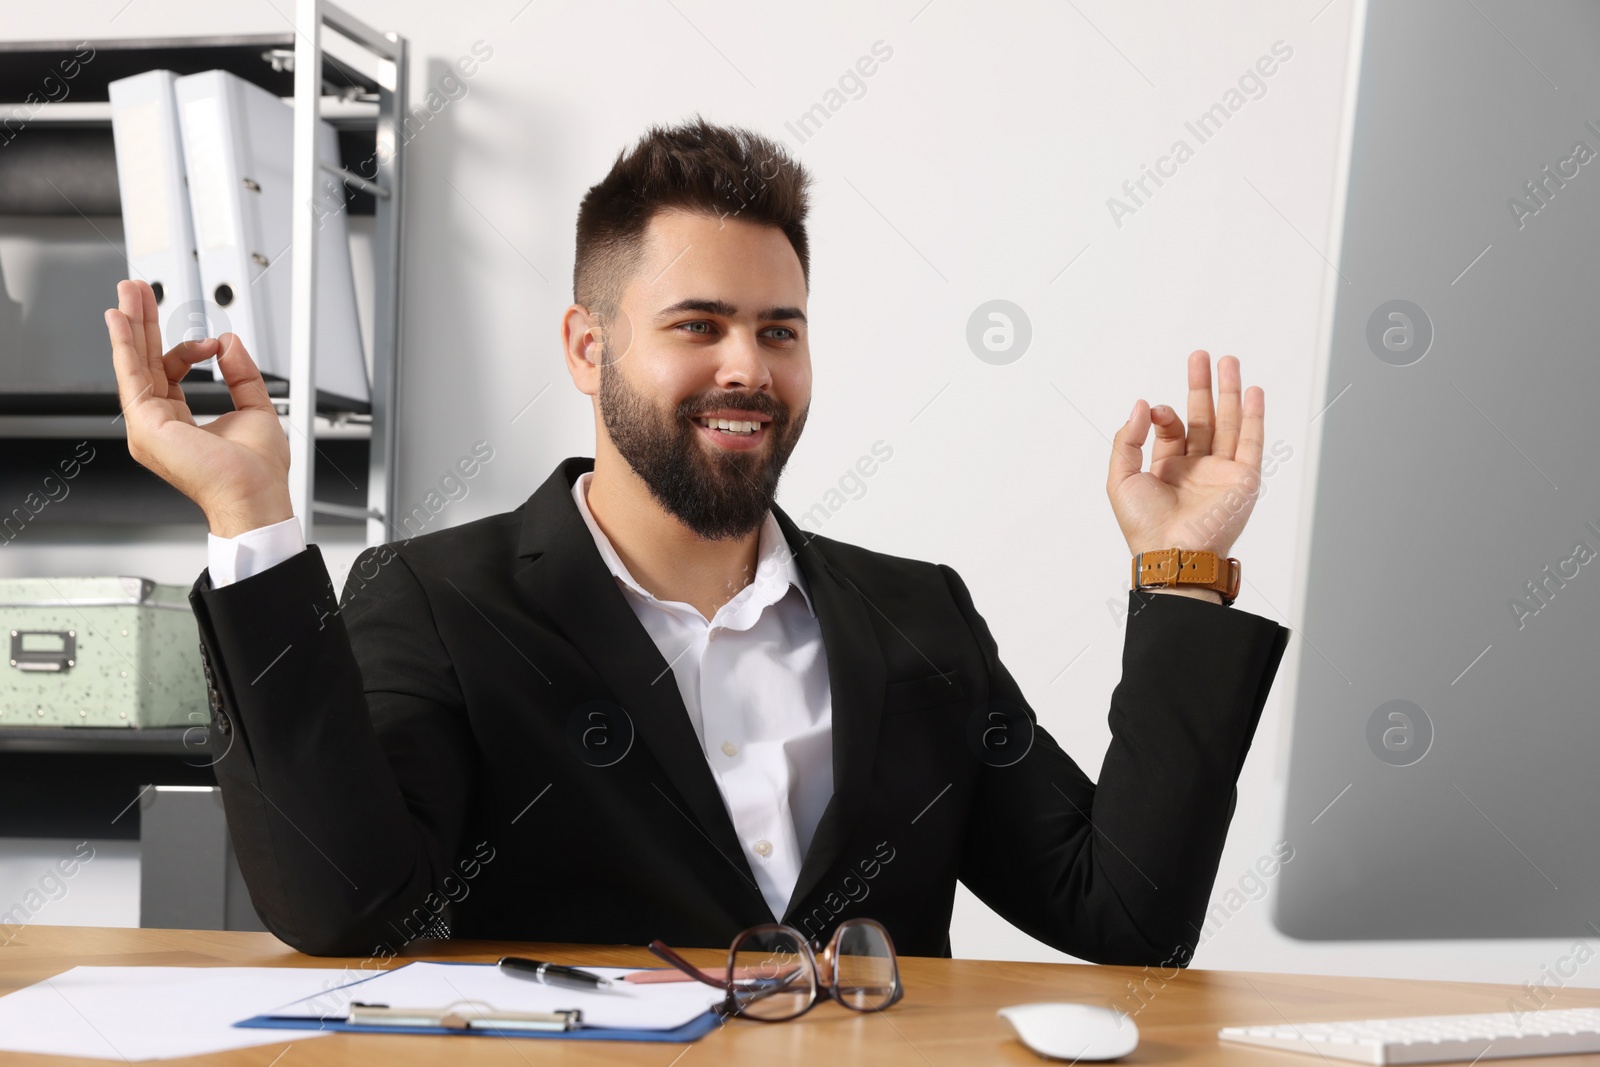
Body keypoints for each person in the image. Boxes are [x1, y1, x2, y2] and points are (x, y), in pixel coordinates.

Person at [105, 117, 1289, 963]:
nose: (747, 367)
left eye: (780, 329)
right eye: (697, 324)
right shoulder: (436, 600)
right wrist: (251, 519)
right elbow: (346, 906)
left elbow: (1127, 917)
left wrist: (1178, 574)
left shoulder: (917, 616)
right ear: (586, 347)